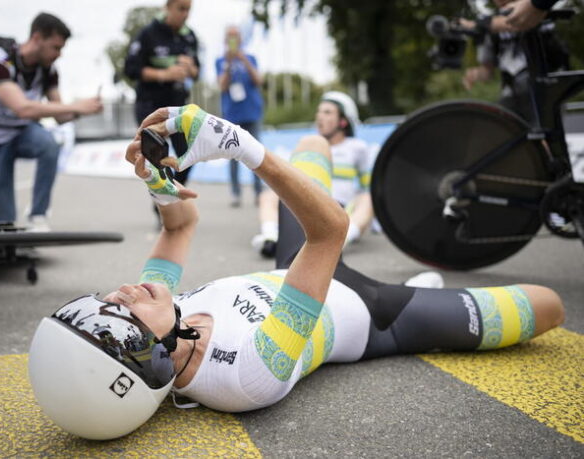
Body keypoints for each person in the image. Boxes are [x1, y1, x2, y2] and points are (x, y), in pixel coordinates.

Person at [28, 105, 565, 440]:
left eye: (105, 298)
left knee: (311, 145)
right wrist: (239, 145)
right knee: (548, 307)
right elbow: (329, 231)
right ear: (151, 354)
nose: (121, 290)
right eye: (119, 310)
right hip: (374, 313)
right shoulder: (244, 379)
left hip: (299, 269)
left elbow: (179, 228)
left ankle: (421, 284)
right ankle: (417, 291)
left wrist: (158, 186)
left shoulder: (167, 317)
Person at [0, 13, 103, 229]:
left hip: (21, 133)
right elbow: (23, 108)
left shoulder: (48, 69)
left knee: (49, 145)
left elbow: (60, 116)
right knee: (4, 222)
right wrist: (76, 105)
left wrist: (86, 109)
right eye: (56, 47)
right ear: (37, 38)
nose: (59, 54)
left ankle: (37, 215)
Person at [251, 91, 374, 257]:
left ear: (344, 121)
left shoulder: (357, 147)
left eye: (327, 112)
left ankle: (339, 243)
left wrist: (371, 221)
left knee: (367, 198)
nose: (319, 117)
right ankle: (270, 239)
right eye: (319, 112)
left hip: (338, 210)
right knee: (268, 195)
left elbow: (368, 185)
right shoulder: (307, 145)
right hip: (307, 204)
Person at [124, 0, 200, 187]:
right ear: (167, 7)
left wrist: (191, 69)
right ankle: (162, 206)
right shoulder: (148, 34)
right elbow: (130, 69)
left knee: (188, 158)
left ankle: (170, 194)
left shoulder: (189, 37)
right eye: (181, 9)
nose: (185, 14)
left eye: (188, 9)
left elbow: (197, 71)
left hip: (178, 107)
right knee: (155, 161)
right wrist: (164, 74)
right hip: (150, 105)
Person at [461, 0, 569, 122]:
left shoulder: (536, 8)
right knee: (500, 127)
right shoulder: (489, 28)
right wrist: (475, 74)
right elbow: (487, 70)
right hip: (512, 91)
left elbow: (522, 19)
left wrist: (479, 25)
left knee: (544, 128)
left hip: (545, 85)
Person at [216, 25, 264, 208]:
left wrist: (243, 60)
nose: (233, 40)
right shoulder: (220, 61)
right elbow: (221, 86)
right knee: (232, 155)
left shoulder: (250, 58)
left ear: (241, 39)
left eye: (236, 36)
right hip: (232, 115)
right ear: (225, 40)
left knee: (256, 154)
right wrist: (229, 64)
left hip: (252, 112)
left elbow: (258, 80)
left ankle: (259, 192)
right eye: (230, 36)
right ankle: (236, 193)